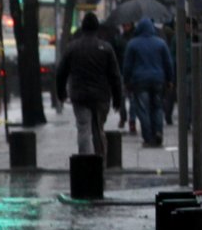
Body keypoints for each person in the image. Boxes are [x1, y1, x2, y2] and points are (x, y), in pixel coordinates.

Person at [55, 11, 122, 160]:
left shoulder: (72, 48)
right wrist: (118, 98)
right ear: (97, 28)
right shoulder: (105, 48)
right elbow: (115, 76)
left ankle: (86, 161)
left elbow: (61, 73)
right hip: (101, 96)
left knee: (83, 128)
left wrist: (61, 93)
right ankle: (100, 161)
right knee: (98, 129)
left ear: (82, 28)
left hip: (80, 95)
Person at [122, 16, 173, 147]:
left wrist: (126, 81)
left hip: (139, 81)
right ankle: (158, 131)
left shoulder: (132, 44)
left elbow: (127, 66)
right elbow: (168, 63)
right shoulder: (160, 43)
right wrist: (170, 80)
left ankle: (148, 136)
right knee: (157, 107)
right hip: (158, 80)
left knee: (143, 109)